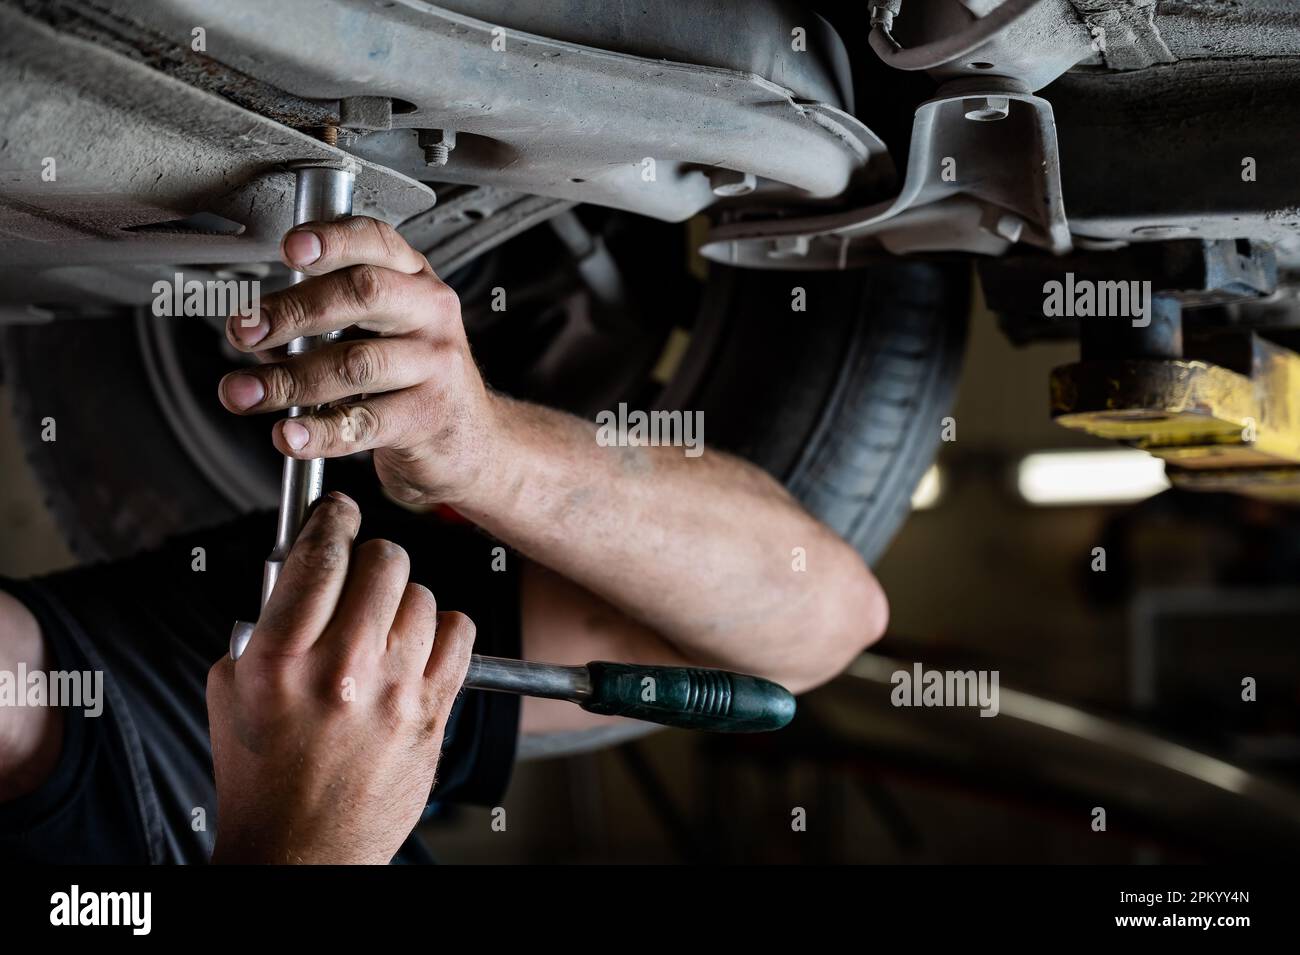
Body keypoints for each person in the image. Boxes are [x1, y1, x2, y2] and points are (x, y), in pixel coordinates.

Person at [0, 216, 888, 863]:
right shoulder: (303, 702)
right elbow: (816, 631)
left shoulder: (268, 699)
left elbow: (815, 623)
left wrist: (483, 455)